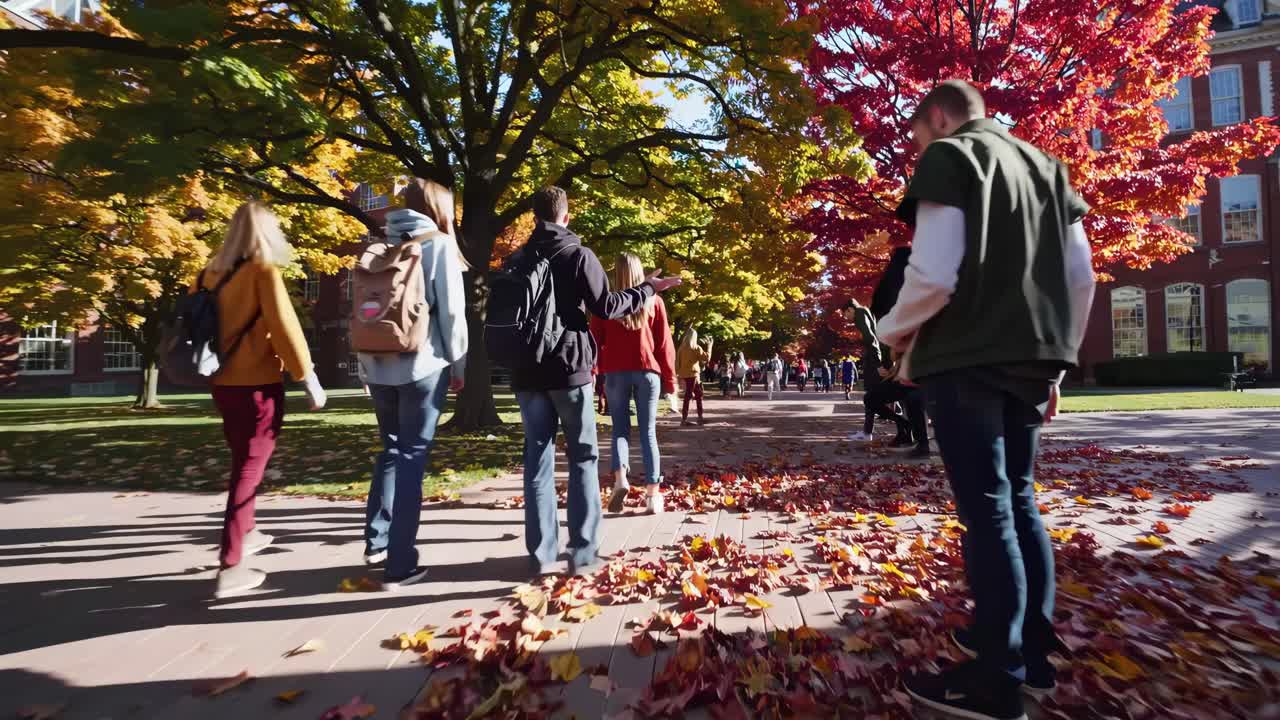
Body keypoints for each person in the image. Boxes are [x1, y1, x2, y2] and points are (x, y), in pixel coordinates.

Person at [879, 81, 1096, 720]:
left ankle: (996, 679)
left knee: (989, 510)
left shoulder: (952, 154)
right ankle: (1031, 653)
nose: (917, 149)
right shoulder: (1048, 168)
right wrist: (1059, 360)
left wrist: (891, 333)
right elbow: (1080, 276)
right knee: (1020, 500)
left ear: (939, 117)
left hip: (967, 358)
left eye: (917, 136)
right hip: (1035, 357)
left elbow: (935, 273)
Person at [511, 187, 682, 576]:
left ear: (535, 217)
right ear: (566, 216)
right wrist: (648, 289)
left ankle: (540, 555)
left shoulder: (517, 259)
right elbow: (606, 307)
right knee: (582, 456)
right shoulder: (578, 255)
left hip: (526, 371)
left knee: (537, 460)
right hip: (568, 368)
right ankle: (583, 552)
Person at [198, 201, 327, 599]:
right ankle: (231, 565)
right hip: (257, 385)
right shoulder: (263, 271)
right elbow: (284, 326)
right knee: (248, 472)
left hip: (221, 383)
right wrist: (308, 377)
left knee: (242, 462)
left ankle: (249, 533)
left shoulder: (207, 273)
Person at [357, 178, 468, 591]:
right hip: (422, 364)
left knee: (389, 450)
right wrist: (458, 363)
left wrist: (364, 365)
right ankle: (400, 564)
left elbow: (364, 308)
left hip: (377, 363)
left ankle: (376, 542)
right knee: (412, 458)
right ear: (440, 208)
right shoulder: (437, 244)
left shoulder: (377, 243)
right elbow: (453, 316)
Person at [592, 253, 678, 515]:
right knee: (648, 432)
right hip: (647, 371)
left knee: (620, 429)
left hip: (616, 372)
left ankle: (620, 480)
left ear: (615, 274)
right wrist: (671, 382)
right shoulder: (655, 302)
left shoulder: (604, 304)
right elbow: (664, 345)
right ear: (642, 273)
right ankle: (653, 496)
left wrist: (595, 374)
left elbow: (594, 341)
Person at [676, 328, 713, 426]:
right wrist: (709, 346)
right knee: (689, 396)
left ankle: (699, 417)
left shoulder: (681, 348)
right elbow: (707, 358)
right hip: (693, 375)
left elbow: (677, 363)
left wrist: (679, 374)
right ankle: (685, 419)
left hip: (685, 374)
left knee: (698, 395)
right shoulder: (695, 348)